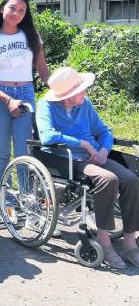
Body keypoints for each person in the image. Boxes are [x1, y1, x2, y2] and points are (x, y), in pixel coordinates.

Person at [36, 67, 139, 269]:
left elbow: (103, 131)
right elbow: (47, 136)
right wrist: (81, 143)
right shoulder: (46, 106)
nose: (86, 93)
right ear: (69, 95)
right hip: (67, 160)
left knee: (131, 180)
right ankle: (104, 240)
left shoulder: (85, 104)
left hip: (95, 156)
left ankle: (129, 242)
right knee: (108, 179)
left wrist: (104, 151)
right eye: (82, 90)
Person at [0, 0, 50, 194]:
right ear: (2, 8)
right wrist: (7, 99)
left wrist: (62, 89)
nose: (16, 13)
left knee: (24, 152)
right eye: (12, 8)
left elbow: (43, 71)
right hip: (0, 96)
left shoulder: (31, 36)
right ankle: (6, 203)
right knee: (1, 153)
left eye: (21, 10)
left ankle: (27, 202)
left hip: (26, 94)